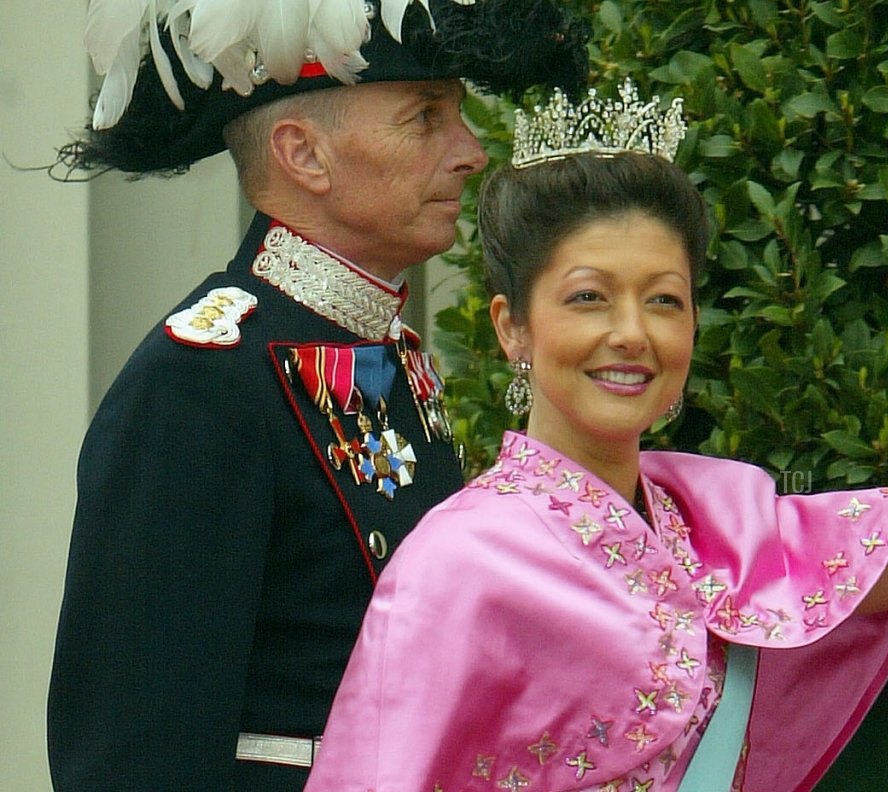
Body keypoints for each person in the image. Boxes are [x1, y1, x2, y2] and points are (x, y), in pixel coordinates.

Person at [304, 42, 888, 791]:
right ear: (511, 326)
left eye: (664, 300)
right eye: (589, 297)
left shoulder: (727, 533)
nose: (630, 333)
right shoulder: (457, 565)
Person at [47, 1, 588, 790]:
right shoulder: (199, 384)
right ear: (303, 154)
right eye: (424, 118)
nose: (470, 152)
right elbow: (133, 756)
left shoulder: (379, 356)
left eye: (460, 116)